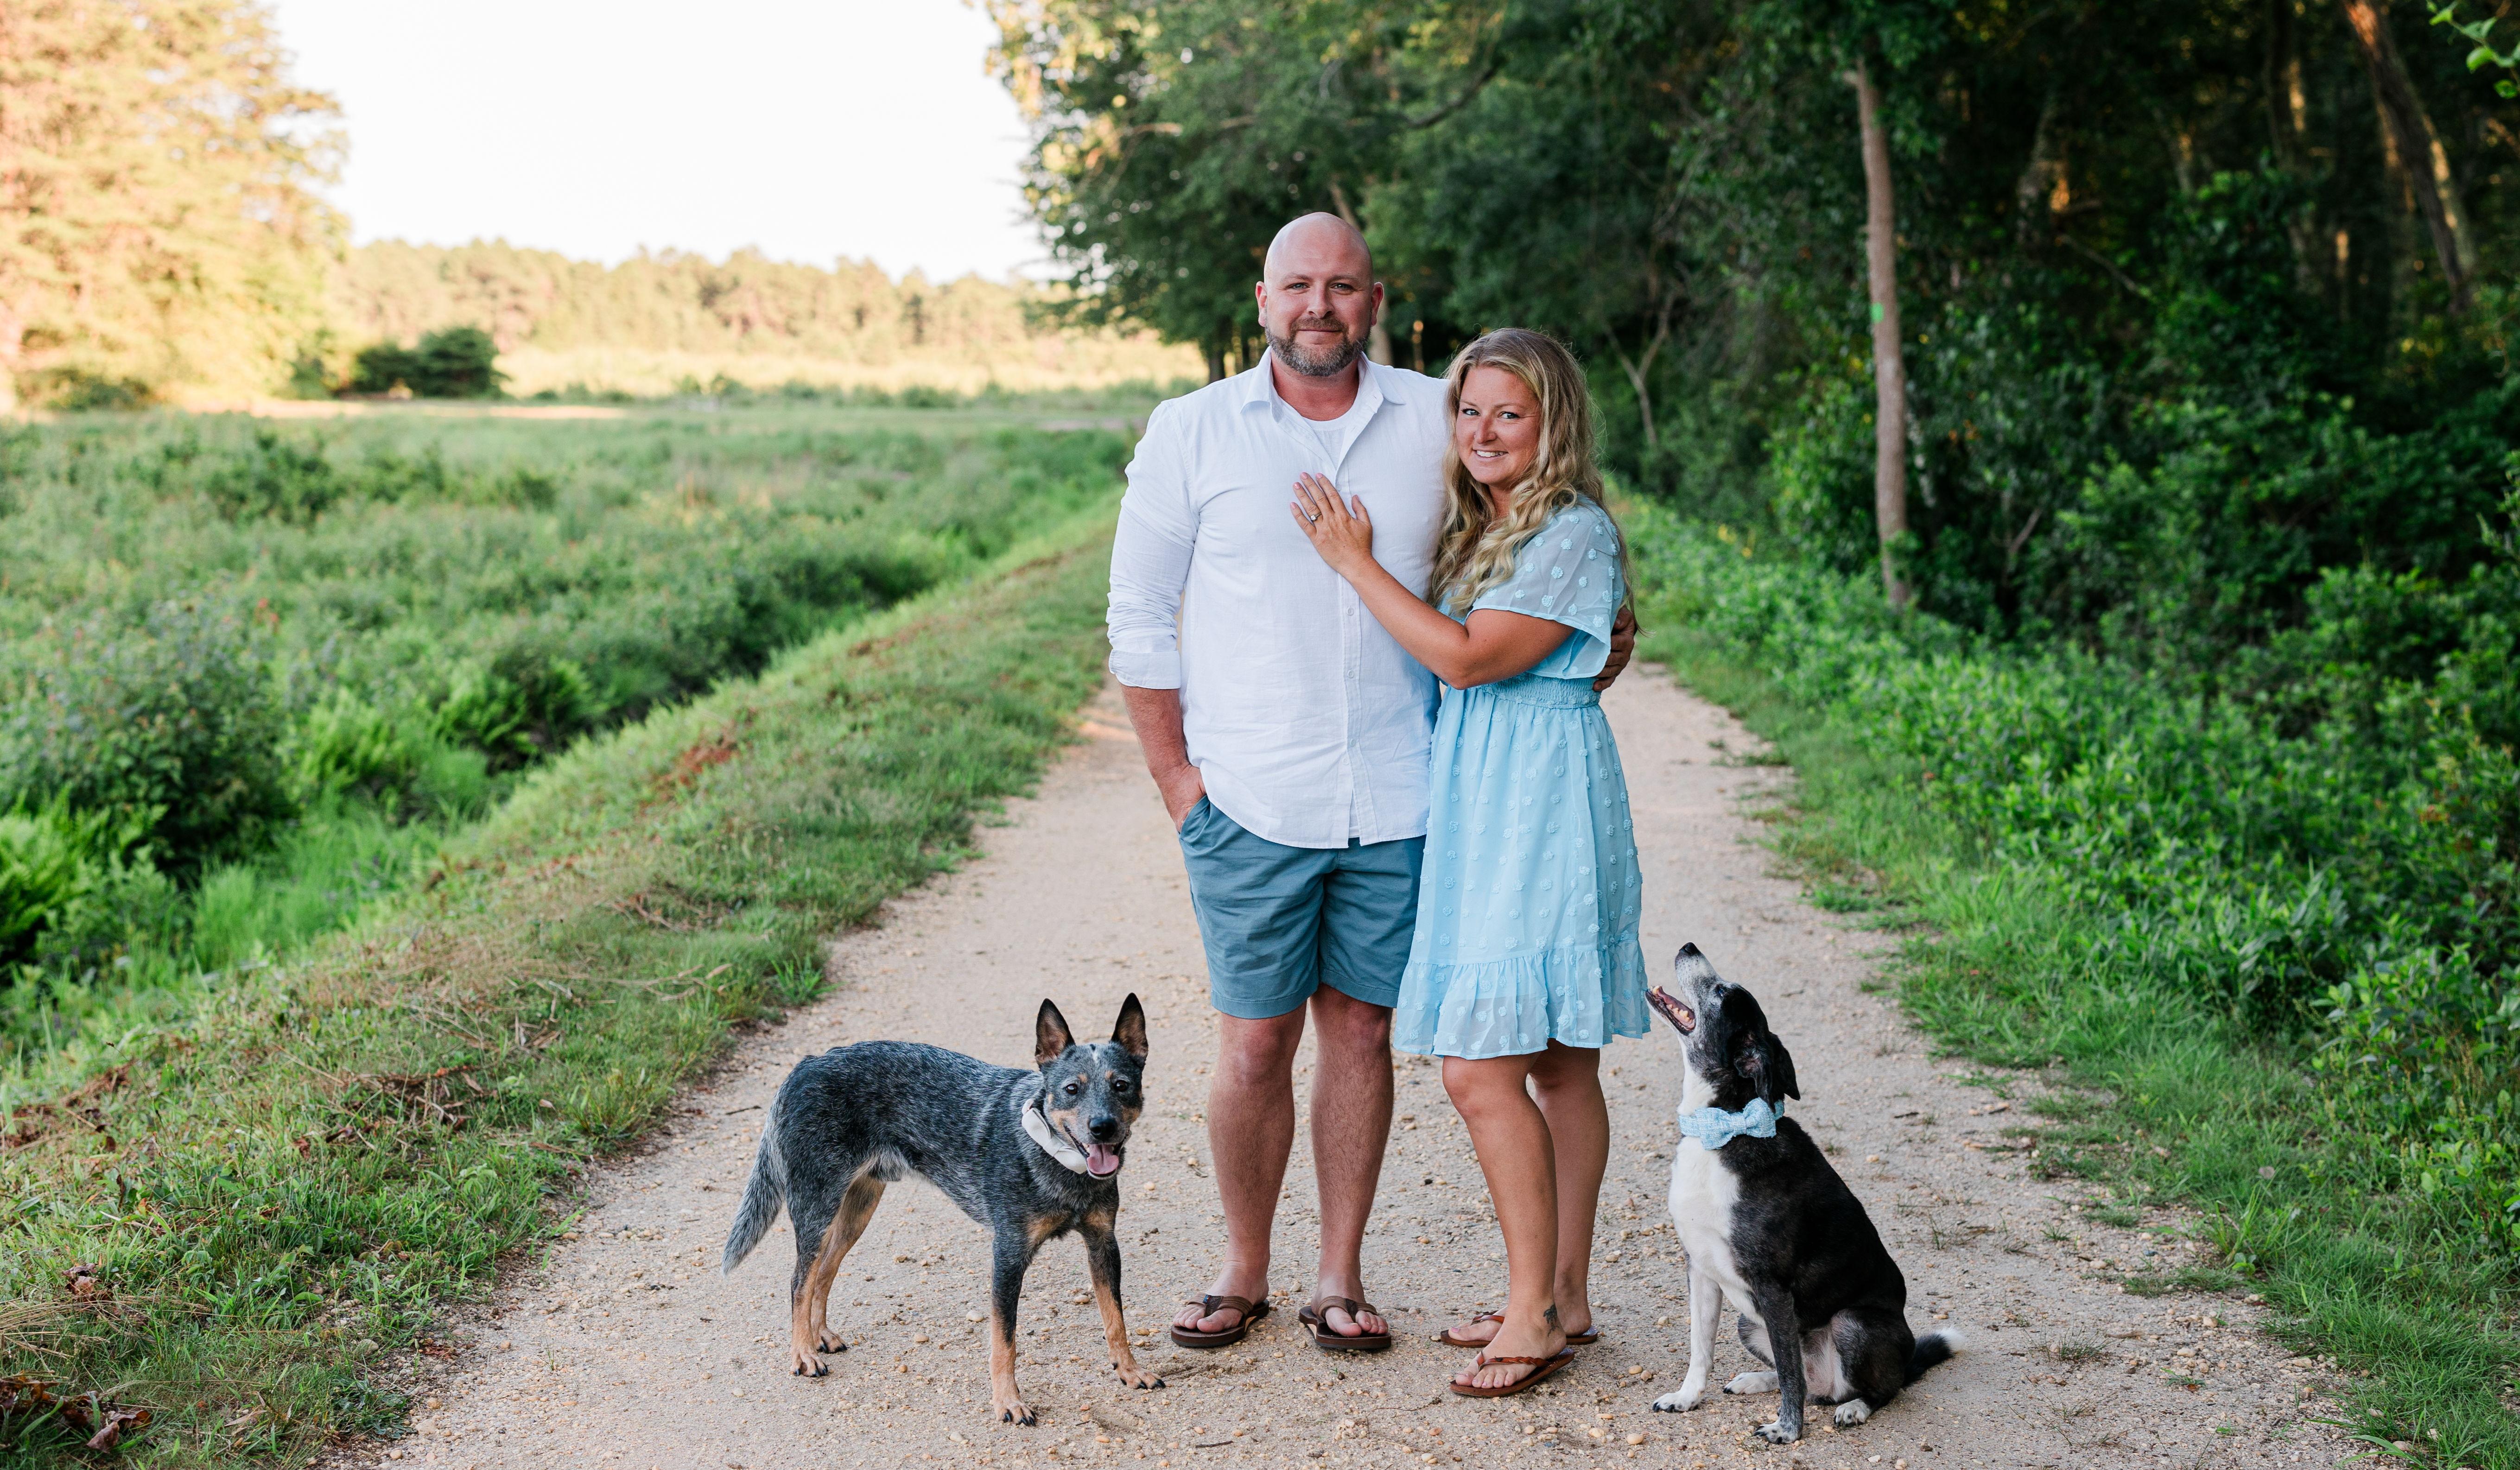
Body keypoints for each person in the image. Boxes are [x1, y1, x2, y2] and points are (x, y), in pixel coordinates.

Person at [1107, 216, 1633, 1356]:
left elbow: (1533, 536)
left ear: (1374, 300)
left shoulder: (1433, 420)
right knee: (1254, 1042)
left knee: (1361, 1030)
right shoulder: (1192, 430)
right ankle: (1243, 1267)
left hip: (1408, 796)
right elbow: (1138, 615)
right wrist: (1177, 781)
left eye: (1342, 285)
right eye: (1297, 284)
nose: (1319, 305)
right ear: (1262, 299)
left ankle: (1339, 1277)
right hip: (1249, 796)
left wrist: (1606, 629)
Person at [1289, 327, 1649, 1396]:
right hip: (1494, 786)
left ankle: (1535, 1312)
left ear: (1552, 424)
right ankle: (1563, 1294)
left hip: (1536, 800)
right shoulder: (1488, 523)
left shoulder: (1569, 527)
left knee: (1479, 1066)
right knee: (1557, 1061)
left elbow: (1466, 656)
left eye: (1509, 413)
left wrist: (1351, 561)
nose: (1482, 431)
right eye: (1469, 409)